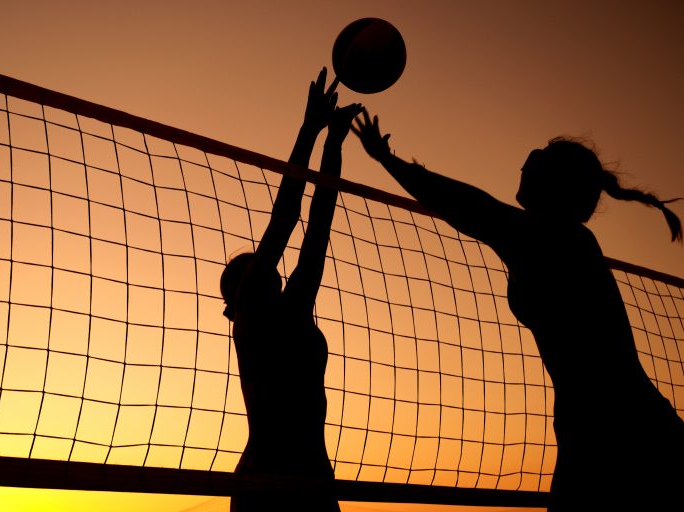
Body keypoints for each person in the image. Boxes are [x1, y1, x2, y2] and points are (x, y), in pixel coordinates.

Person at [352, 110, 684, 511]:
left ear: (556, 185)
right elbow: (476, 210)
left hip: (622, 432)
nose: (526, 160)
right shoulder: (553, 236)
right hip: (608, 426)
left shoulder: (555, 237)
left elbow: (470, 206)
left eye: (540, 158)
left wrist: (386, 160)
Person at [220, 68, 361, 512]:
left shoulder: (293, 308)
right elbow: (286, 216)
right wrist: (311, 129)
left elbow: (319, 220)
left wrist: (333, 145)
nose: (265, 269)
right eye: (253, 270)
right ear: (236, 298)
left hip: (315, 479)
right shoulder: (253, 317)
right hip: (268, 482)